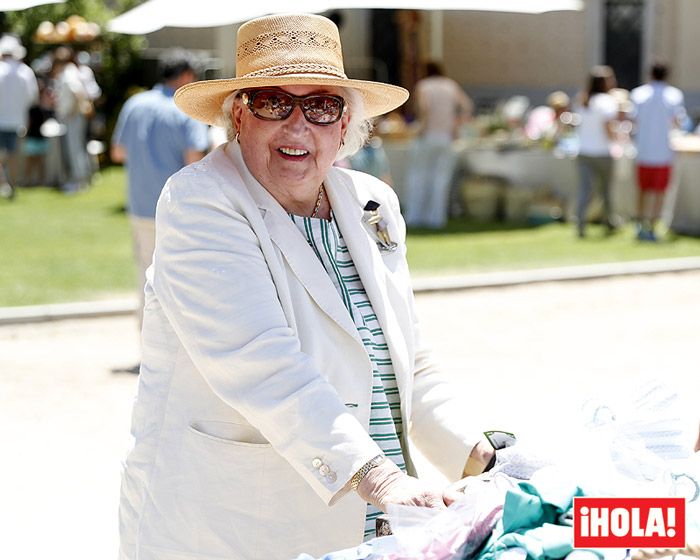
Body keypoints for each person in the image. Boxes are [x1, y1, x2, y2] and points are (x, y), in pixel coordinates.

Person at [118, 13, 498, 560]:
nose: (298, 127)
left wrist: (480, 456)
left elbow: (408, 360)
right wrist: (384, 482)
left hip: (384, 522)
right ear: (238, 118)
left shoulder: (371, 201)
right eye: (273, 103)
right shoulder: (199, 202)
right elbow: (263, 365)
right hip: (237, 528)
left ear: (345, 126)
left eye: (321, 106)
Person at [111, 49, 209, 329]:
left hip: (140, 203)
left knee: (145, 276)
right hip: (178, 208)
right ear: (187, 75)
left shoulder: (135, 104)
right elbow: (194, 159)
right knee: (180, 281)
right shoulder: (185, 109)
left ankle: (146, 346)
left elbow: (118, 152)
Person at [404, 60, 473, 229]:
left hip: (428, 135)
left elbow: (424, 109)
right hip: (446, 137)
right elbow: (467, 106)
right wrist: (456, 124)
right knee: (441, 178)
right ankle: (436, 218)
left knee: (418, 176)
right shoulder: (450, 86)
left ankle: (415, 216)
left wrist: (421, 127)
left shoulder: (424, 86)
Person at [630, 62, 686, 242]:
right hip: (662, 153)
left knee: (643, 190)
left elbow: (633, 120)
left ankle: (640, 224)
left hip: (644, 151)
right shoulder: (674, 95)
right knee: (658, 192)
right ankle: (651, 226)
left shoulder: (639, 94)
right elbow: (678, 121)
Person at [574, 65, 619, 238]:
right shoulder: (607, 102)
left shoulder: (583, 100)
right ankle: (609, 222)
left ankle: (580, 225)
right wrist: (617, 139)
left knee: (585, 190)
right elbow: (608, 127)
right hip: (602, 152)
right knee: (605, 190)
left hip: (584, 151)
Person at [0, 35, 38, 199]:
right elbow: (32, 98)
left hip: (1, 120)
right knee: (14, 156)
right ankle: (12, 185)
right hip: (18, 121)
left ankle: (4, 185)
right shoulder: (25, 72)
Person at [50, 46, 92, 193]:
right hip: (74, 115)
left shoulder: (68, 72)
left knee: (74, 148)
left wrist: (73, 111)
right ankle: (82, 179)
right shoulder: (71, 70)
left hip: (73, 116)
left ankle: (78, 181)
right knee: (78, 147)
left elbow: (78, 92)